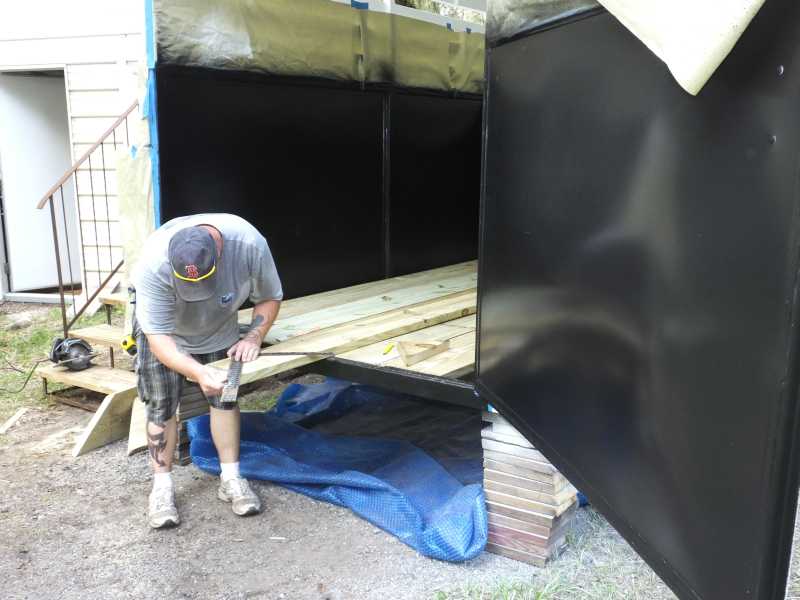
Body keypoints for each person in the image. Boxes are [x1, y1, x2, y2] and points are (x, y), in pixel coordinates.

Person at [131, 213, 282, 528]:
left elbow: (269, 296)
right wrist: (198, 372)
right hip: (167, 333)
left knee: (225, 398)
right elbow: (158, 339)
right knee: (160, 404)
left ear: (219, 251)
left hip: (219, 326)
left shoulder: (249, 244)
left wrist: (253, 336)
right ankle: (162, 488)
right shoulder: (152, 265)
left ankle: (231, 478)